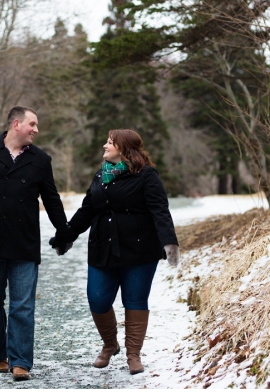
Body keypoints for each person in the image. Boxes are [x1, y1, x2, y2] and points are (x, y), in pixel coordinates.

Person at [0, 105, 76, 382]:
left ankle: (21, 361)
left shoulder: (40, 160)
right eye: (32, 124)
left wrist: (65, 233)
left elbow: (52, 200)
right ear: (16, 123)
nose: (36, 129)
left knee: (22, 306)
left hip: (24, 244)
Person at [54, 129, 180, 375]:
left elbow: (160, 210)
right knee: (97, 299)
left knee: (134, 300)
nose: (104, 146)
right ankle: (110, 345)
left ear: (123, 148)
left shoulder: (147, 175)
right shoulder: (101, 174)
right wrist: (66, 235)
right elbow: (87, 210)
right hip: (103, 247)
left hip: (140, 249)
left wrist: (170, 243)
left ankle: (133, 355)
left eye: (110, 143)